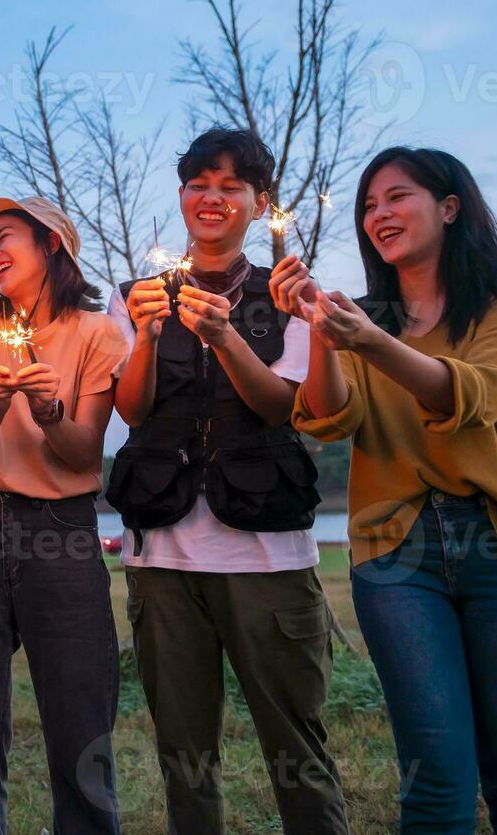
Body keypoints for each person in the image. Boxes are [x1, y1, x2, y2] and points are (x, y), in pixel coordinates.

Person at [275, 146, 497, 834]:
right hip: (396, 555)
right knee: (435, 780)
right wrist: (320, 332)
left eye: (396, 196)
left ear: (448, 206)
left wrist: (367, 340)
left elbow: (468, 396)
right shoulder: (362, 318)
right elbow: (328, 416)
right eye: (368, 205)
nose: (378, 213)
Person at [107, 128, 348, 834]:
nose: (210, 197)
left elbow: (281, 406)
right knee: (184, 757)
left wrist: (224, 335)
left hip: (266, 556)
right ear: (181, 195)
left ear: (257, 200)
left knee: (297, 750)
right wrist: (148, 337)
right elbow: (130, 409)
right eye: (197, 183)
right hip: (162, 560)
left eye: (230, 185)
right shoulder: (137, 298)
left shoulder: (291, 294)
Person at [0, 195, 128, 834]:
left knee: (80, 715)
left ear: (50, 245)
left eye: (7, 236)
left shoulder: (97, 333)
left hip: (63, 531)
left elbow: (83, 454)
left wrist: (49, 411)